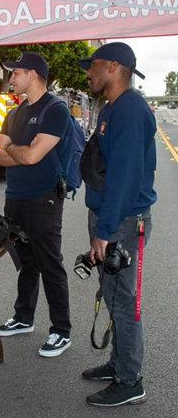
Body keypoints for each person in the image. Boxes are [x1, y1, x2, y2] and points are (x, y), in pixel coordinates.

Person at [77, 42, 156, 407]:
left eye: (92, 65)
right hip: (111, 219)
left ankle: (130, 380)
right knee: (110, 295)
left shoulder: (130, 111)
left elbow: (124, 178)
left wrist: (105, 232)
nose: (88, 72)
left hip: (123, 223)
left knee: (124, 303)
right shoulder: (113, 108)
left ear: (112, 66)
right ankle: (118, 362)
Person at [0, 52, 73, 357]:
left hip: (43, 199)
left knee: (49, 263)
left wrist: (10, 146)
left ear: (34, 75)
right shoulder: (14, 113)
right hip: (14, 198)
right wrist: (16, 150)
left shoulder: (55, 109)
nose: (11, 78)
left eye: (16, 73)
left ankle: (61, 330)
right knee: (26, 263)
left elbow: (30, 157)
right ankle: (24, 317)